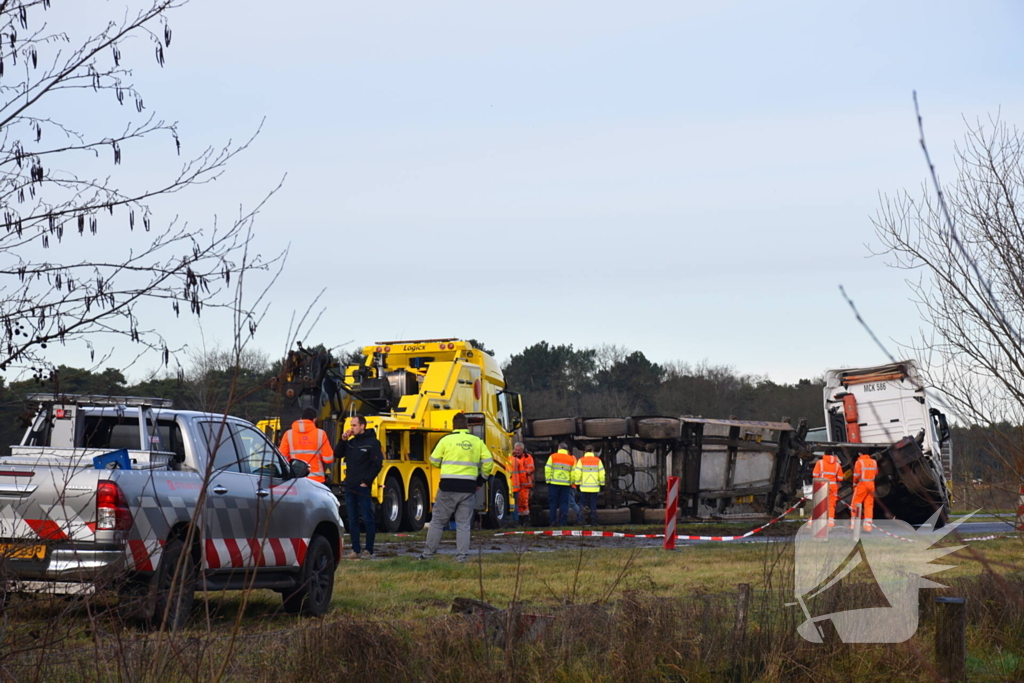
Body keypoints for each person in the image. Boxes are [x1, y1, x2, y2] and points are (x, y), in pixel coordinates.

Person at [419, 413, 493, 563]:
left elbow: (433, 460)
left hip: (448, 486)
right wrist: (480, 480)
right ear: (467, 426)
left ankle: (428, 555)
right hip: (468, 487)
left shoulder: (446, 440)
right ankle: (461, 557)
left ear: (453, 425)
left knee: (438, 522)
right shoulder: (477, 441)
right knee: (463, 524)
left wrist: (444, 465)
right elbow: (488, 462)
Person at [336, 415, 384, 559]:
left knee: (368, 518)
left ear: (362, 426)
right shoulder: (351, 443)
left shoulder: (372, 443)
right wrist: (343, 440)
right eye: (351, 425)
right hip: (350, 485)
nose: (352, 428)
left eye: (354, 425)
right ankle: (355, 549)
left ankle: (368, 549)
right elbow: (337, 454)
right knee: (352, 518)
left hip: (363, 486)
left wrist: (366, 481)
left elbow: (377, 464)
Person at [278, 407, 334, 485]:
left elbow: (282, 458)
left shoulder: (288, 434)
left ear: (301, 418)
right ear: (314, 420)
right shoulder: (321, 434)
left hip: (296, 478)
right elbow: (328, 459)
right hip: (316, 480)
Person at [572, 448, 606, 526]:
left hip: (583, 488)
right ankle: (593, 521)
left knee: (582, 504)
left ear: (585, 451)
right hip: (594, 488)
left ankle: (581, 521)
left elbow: (577, 474)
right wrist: (602, 484)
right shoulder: (598, 461)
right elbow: (601, 474)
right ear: (593, 451)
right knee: (593, 504)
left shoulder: (581, 460)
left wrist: (577, 484)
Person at [545, 443, 575, 527]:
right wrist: (571, 482)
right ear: (566, 450)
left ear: (559, 448)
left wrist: (548, 480)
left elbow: (547, 469)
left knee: (553, 503)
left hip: (554, 483)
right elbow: (573, 473)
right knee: (564, 503)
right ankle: (563, 522)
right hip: (565, 484)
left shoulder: (553, 457)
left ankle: (552, 522)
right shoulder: (571, 459)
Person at [812, 450, 844, 528]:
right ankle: (830, 522)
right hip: (833, 486)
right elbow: (840, 478)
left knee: (819, 503)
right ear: (832, 454)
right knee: (831, 504)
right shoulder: (837, 464)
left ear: (824, 454)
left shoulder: (820, 463)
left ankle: (815, 522)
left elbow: (815, 474)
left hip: (822, 485)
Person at [852, 452, 878, 532]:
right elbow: (876, 473)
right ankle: (868, 527)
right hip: (871, 485)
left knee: (855, 504)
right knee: (869, 505)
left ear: (860, 453)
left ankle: (854, 525)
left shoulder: (859, 462)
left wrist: (854, 484)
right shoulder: (874, 462)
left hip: (862, 485)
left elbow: (856, 475)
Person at [511, 443, 535, 527]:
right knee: (517, 503)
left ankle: (525, 520)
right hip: (516, 485)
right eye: (516, 450)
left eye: (519, 450)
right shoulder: (512, 458)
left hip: (525, 484)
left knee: (524, 502)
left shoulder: (528, 457)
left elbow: (531, 468)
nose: (517, 451)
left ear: (522, 450)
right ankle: (519, 520)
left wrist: (525, 472)